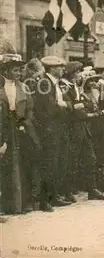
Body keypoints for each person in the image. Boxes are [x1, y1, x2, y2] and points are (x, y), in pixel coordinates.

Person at [62, 62, 104, 201]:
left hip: (83, 128)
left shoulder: (77, 89)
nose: (81, 76)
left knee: (91, 159)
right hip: (73, 129)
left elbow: (88, 105)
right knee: (72, 161)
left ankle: (92, 189)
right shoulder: (66, 88)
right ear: (72, 74)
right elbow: (73, 110)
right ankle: (67, 191)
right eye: (78, 73)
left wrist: (82, 106)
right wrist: (82, 108)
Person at [0, 50, 41, 214]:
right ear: (5, 70)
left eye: (19, 70)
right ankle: (5, 205)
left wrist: (25, 123)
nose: (18, 73)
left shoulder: (23, 87)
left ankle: (21, 204)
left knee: (20, 166)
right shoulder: (1, 87)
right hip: (3, 128)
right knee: (6, 167)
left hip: (19, 129)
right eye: (15, 70)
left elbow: (30, 109)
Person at [34, 56, 73, 212]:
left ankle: (54, 197)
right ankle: (45, 201)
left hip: (58, 127)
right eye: (60, 67)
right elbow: (51, 108)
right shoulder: (45, 83)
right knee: (49, 164)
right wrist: (67, 105)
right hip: (49, 129)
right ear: (52, 69)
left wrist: (62, 104)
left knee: (57, 163)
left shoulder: (53, 83)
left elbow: (57, 104)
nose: (63, 69)